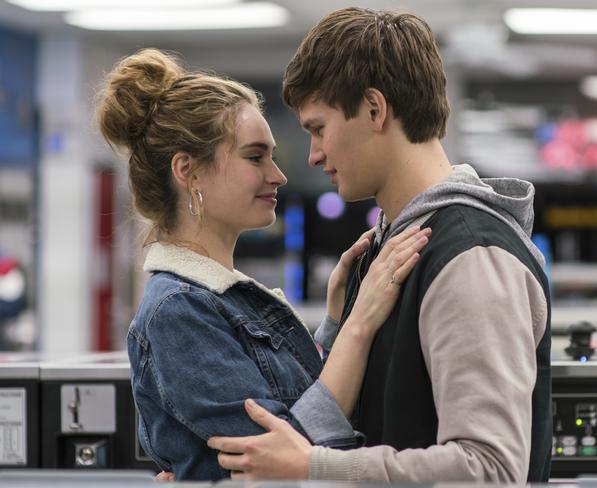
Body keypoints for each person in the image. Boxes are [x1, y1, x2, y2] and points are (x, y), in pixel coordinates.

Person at [208, 7, 552, 484]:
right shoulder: (387, 249)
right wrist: (336, 326)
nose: (314, 155)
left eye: (318, 128)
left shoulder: (470, 259)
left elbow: (489, 469)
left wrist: (313, 467)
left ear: (374, 109)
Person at [95, 48, 429, 481]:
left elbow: (304, 412)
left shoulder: (227, 300)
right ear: (188, 171)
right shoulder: (178, 312)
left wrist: (334, 324)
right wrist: (361, 323)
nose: (278, 175)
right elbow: (284, 459)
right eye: (255, 157)